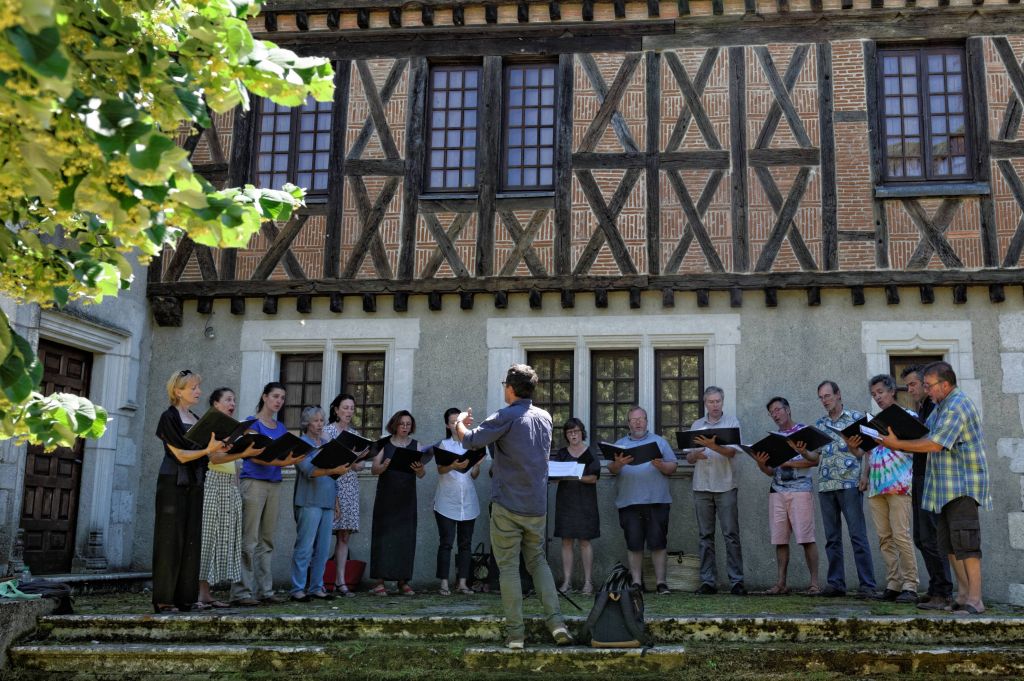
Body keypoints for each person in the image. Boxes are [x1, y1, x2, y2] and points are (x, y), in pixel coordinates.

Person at [453, 364, 572, 650]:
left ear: (510, 388)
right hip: (536, 505)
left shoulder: (505, 415)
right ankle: (557, 624)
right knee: (538, 561)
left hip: (507, 504)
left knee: (507, 567)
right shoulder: (545, 417)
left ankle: (516, 634)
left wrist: (459, 422)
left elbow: (469, 440)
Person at [876, 361, 991, 615]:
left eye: (928, 385)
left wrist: (896, 444)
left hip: (962, 486)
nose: (926, 390)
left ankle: (975, 599)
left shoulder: (957, 405)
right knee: (950, 546)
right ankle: (962, 595)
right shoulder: (940, 407)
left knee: (967, 544)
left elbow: (935, 444)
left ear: (945, 384)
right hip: (943, 488)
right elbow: (924, 435)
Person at [152, 369, 229, 613]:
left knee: (191, 540)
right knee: (170, 539)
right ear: (177, 391)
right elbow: (180, 454)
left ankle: (185, 598)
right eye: (193, 388)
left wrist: (223, 446)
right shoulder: (168, 417)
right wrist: (208, 450)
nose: (199, 391)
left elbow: (208, 453)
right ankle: (164, 599)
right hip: (173, 482)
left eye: (198, 387)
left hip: (195, 482)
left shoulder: (197, 418)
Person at [230, 382, 306, 607]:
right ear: (264, 397)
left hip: (274, 483)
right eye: (275, 396)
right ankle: (241, 592)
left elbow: (280, 455)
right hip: (253, 483)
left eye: (282, 397)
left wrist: (291, 457)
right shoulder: (251, 423)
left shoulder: (280, 427)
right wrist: (284, 462)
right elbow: (253, 456)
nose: (279, 401)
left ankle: (264, 590)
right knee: (249, 539)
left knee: (267, 540)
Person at [854, 375, 918, 603]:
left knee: (901, 535)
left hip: (899, 484)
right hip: (876, 485)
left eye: (880, 392)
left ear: (892, 391)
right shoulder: (874, 423)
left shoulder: (909, 417)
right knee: (884, 538)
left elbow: (918, 447)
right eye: (874, 394)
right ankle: (894, 583)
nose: (877, 397)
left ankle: (910, 585)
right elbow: (867, 453)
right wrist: (864, 474)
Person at [197, 388, 263, 609]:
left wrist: (236, 488)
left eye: (234, 400)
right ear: (215, 404)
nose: (232, 403)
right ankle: (198, 593)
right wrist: (244, 453)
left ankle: (206, 594)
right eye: (227, 399)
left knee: (219, 542)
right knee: (208, 540)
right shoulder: (211, 426)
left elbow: (232, 464)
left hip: (228, 486)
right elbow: (214, 458)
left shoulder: (231, 429)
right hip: (212, 483)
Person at [751, 397, 821, 596]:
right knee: (780, 539)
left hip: (801, 490)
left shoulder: (804, 432)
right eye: (771, 412)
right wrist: (761, 463)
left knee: (806, 538)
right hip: (777, 491)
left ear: (788, 409)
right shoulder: (774, 439)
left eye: (778, 409)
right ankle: (781, 583)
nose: (775, 414)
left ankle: (814, 584)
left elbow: (815, 460)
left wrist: (789, 462)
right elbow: (770, 472)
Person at [606, 406, 678, 594]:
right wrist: (618, 464)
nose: (638, 422)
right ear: (628, 423)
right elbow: (611, 470)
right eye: (634, 419)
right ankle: (636, 583)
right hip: (629, 502)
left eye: (641, 419)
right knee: (634, 543)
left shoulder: (659, 442)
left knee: (658, 543)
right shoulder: (620, 444)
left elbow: (672, 467)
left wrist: (661, 465)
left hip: (657, 500)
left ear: (647, 421)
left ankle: (661, 583)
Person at [814, 380, 876, 598]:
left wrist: (865, 475)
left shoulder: (857, 418)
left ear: (838, 394)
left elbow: (870, 449)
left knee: (857, 536)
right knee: (832, 539)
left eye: (827, 396)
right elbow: (815, 457)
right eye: (821, 398)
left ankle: (867, 585)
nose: (824, 401)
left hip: (850, 484)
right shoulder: (820, 424)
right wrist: (801, 450)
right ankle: (836, 583)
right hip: (826, 486)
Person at [900, 365, 953, 610]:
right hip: (919, 476)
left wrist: (900, 442)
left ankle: (943, 592)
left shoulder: (935, 408)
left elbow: (934, 442)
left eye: (913, 384)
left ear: (925, 384)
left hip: (932, 478)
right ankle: (934, 589)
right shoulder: (922, 409)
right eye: (907, 386)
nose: (910, 389)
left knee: (932, 537)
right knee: (921, 538)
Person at [684, 386, 745, 595]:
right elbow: (689, 457)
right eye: (711, 402)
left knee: (731, 535)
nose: (715, 405)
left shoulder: (731, 423)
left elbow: (732, 452)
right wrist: (695, 455)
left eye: (718, 401)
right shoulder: (696, 425)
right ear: (705, 403)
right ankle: (708, 581)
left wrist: (712, 445)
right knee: (705, 536)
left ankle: (737, 581)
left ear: (722, 401)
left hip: (726, 485)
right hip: (701, 486)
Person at [291, 406, 350, 602]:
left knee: (323, 549)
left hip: (327, 500)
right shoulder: (301, 444)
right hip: (309, 500)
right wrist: (333, 470)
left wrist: (336, 501)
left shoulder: (326, 444)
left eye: (321, 420)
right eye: (315, 421)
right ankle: (298, 589)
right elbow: (308, 471)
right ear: (306, 423)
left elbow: (334, 477)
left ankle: (317, 586)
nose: (319, 424)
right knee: (305, 547)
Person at [369, 410, 425, 596]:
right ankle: (379, 582)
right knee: (383, 537)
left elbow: (422, 474)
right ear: (395, 425)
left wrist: (419, 470)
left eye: (408, 424)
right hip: (386, 498)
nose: (405, 427)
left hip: (406, 498)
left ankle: (403, 581)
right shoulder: (384, 443)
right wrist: (383, 466)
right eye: (402, 424)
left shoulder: (416, 445)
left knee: (405, 538)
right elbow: (374, 470)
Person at [432, 408, 482, 596]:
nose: (455, 425)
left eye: (457, 421)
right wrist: (452, 465)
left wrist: (476, 465)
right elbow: (440, 470)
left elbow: (474, 475)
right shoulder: (444, 445)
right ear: (447, 425)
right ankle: (444, 583)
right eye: (452, 422)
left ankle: (462, 583)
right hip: (446, 500)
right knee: (446, 542)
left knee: (465, 543)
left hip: (468, 501)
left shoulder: (472, 446)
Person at [323, 393, 367, 597]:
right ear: (336, 410)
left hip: (349, 486)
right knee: (323, 535)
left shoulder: (355, 434)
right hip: (330, 484)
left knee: (344, 535)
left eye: (352, 408)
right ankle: (318, 581)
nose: (349, 411)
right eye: (345, 408)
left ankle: (341, 581)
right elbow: (325, 460)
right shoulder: (327, 432)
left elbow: (359, 467)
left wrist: (359, 459)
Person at [551, 417, 600, 595]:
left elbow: (593, 478)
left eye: (576, 431)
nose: (573, 435)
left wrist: (575, 475)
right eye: (570, 432)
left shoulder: (590, 452)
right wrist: (560, 475)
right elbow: (554, 478)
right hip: (565, 502)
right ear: (566, 435)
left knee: (585, 541)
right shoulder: (562, 454)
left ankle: (588, 583)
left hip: (585, 502)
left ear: (582, 433)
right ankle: (567, 582)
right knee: (566, 541)